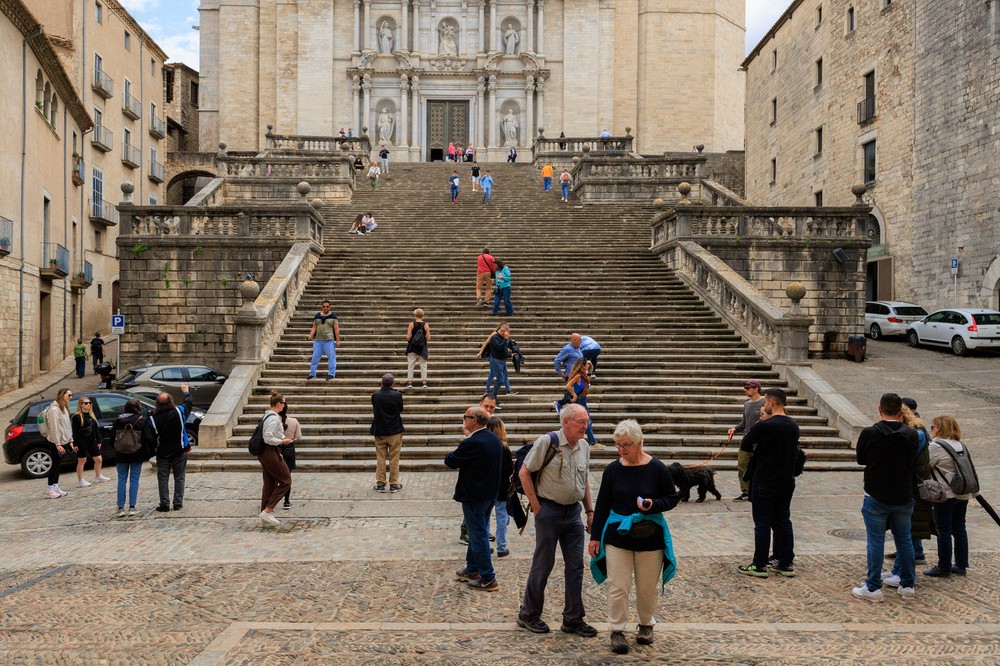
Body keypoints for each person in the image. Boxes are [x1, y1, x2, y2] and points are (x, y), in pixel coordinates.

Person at [589, 419, 679, 654]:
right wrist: (595, 537)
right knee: (618, 586)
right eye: (618, 445)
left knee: (647, 587)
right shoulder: (613, 470)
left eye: (626, 445)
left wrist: (653, 504)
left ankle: (646, 624)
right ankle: (617, 630)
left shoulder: (657, 468)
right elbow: (603, 505)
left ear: (639, 442)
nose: (621, 450)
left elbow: (672, 498)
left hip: (650, 538)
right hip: (617, 537)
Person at [517, 403, 597, 637]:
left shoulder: (584, 446)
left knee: (575, 567)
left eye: (587, 421)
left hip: (573, 513)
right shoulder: (548, 442)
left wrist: (590, 512)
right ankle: (528, 614)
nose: (586, 426)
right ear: (566, 422)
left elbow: (585, 481)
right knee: (543, 564)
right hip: (549, 511)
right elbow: (524, 472)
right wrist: (536, 507)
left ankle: (573, 618)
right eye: (581, 421)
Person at [852, 392, 919, 602]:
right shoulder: (911, 434)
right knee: (904, 540)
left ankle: (873, 587)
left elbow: (861, 459)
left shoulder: (870, 433)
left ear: (879, 409)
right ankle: (907, 584)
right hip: (903, 493)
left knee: (876, 541)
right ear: (901, 412)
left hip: (876, 492)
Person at [736, 388, 800, 578]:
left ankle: (760, 564)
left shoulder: (765, 425)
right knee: (783, 520)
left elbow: (746, 444)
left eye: (764, 404)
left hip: (764, 478)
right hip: (786, 480)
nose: (763, 406)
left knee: (762, 522)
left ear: (771, 403)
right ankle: (785, 562)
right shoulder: (793, 425)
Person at [445, 406, 505, 592]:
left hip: (474, 496)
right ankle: (472, 569)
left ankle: (488, 577)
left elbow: (451, 461)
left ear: (474, 420)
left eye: (466, 416)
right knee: (478, 531)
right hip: (489, 494)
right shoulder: (494, 439)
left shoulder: (472, 442)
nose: (464, 419)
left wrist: (461, 444)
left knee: (478, 535)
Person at [884, 403, 935, 573]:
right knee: (909, 528)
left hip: (914, 487)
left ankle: (905, 571)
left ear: (901, 416)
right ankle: (906, 566)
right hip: (911, 486)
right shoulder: (915, 432)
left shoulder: (916, 435)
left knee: (909, 530)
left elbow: (906, 459)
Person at [925, 415, 975, 578]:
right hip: (963, 492)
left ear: (939, 429)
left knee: (943, 529)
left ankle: (944, 567)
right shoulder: (960, 445)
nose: (931, 430)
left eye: (932, 427)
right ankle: (961, 565)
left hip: (945, 494)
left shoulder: (937, 446)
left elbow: (926, 465)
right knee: (959, 528)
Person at [459, 394, 500, 544]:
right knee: (473, 504)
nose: (489, 409)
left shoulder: (492, 421)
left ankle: (479, 531)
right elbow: (468, 434)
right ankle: (466, 532)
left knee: (481, 508)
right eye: (486, 406)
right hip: (475, 469)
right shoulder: (472, 418)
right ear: (480, 404)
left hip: (488, 470)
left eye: (492, 407)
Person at [148, 385, 193, 512]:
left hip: (162, 453)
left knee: (163, 479)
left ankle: (164, 504)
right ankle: (178, 503)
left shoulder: (153, 419)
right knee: (179, 477)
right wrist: (186, 392)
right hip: (180, 450)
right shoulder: (179, 411)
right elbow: (188, 403)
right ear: (171, 402)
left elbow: (150, 438)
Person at [257, 392, 293, 527]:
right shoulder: (274, 418)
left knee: (269, 483)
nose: (285, 406)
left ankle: (264, 517)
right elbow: (268, 437)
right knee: (286, 481)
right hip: (270, 451)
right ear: (279, 404)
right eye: (284, 403)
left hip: (266, 452)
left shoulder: (267, 415)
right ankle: (268, 510)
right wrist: (282, 441)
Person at [112, 398, 150, 517]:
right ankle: (132, 507)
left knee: (121, 480)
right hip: (136, 453)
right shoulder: (142, 421)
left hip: (120, 454)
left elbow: (112, 438)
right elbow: (147, 438)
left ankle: (120, 507)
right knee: (134, 480)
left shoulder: (118, 420)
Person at [728, 380, 765, 502]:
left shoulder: (764, 402)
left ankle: (759, 490)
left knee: (760, 467)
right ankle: (745, 492)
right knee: (742, 466)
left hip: (761, 442)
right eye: (745, 387)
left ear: (756, 389)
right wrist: (735, 428)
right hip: (747, 441)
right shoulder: (747, 404)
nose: (745, 390)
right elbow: (744, 422)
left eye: (748, 388)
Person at [371, 373, 405, 493]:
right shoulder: (397, 395)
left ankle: (380, 484)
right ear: (393, 383)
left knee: (380, 458)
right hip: (395, 430)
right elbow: (400, 409)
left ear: (382, 382)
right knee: (394, 458)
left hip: (380, 431)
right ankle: (394, 484)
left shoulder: (375, 395)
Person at [487, 416, 515, 558]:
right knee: (502, 517)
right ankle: (501, 547)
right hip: (501, 486)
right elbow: (508, 470)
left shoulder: (485, 445)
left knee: (485, 516)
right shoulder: (504, 447)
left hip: (486, 486)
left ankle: (485, 545)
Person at [555, 359, 599, 447]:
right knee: (586, 420)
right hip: (578, 400)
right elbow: (568, 386)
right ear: (582, 366)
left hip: (582, 399)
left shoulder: (583, 376)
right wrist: (574, 395)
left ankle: (592, 442)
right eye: (586, 364)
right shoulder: (578, 376)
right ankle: (593, 442)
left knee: (584, 420)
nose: (588, 365)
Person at [40, 388, 74, 498]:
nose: (70, 397)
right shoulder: (54, 410)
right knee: (55, 464)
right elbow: (54, 428)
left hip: (64, 440)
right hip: (55, 441)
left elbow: (67, 426)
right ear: (62, 395)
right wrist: (57, 444)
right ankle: (49, 489)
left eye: (71, 395)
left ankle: (55, 487)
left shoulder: (64, 408)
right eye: (68, 395)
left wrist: (71, 440)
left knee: (58, 465)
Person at [72, 395, 108, 487]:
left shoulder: (91, 415)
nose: (88, 404)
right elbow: (74, 431)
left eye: (89, 403)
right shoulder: (76, 417)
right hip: (81, 441)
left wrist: (99, 440)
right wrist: (75, 443)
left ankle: (98, 476)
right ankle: (80, 480)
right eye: (86, 403)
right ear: (81, 405)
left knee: (98, 459)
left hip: (92, 440)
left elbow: (96, 429)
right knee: (82, 460)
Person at [277, 395, 301, 510]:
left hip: (276, 448)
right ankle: (286, 501)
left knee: (273, 476)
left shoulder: (274, 420)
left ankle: (271, 499)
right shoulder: (294, 421)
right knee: (287, 477)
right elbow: (298, 436)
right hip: (289, 448)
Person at [306, 300, 340, 380]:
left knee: (331, 357)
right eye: (324, 306)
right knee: (315, 357)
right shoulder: (317, 316)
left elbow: (336, 330)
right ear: (322, 307)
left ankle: (331, 374)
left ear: (329, 307)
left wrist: (337, 340)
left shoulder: (333, 317)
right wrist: (310, 335)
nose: (325, 308)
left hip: (329, 340)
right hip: (318, 340)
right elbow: (314, 327)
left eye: (327, 306)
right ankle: (312, 374)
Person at [480, 323, 515, 399]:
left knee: (502, 377)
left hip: (502, 360)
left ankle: (496, 396)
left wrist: (510, 355)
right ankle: (492, 397)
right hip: (496, 361)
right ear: (503, 331)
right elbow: (499, 348)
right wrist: (505, 339)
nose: (508, 334)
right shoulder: (494, 337)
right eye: (507, 332)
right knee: (499, 380)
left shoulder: (503, 338)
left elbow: (503, 350)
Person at [405, 309, 430, 389]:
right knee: (423, 365)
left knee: (411, 365)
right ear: (422, 316)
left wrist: (410, 337)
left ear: (415, 315)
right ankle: (424, 382)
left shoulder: (411, 324)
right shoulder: (426, 325)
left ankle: (410, 382)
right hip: (422, 348)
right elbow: (428, 338)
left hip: (412, 347)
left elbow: (408, 337)